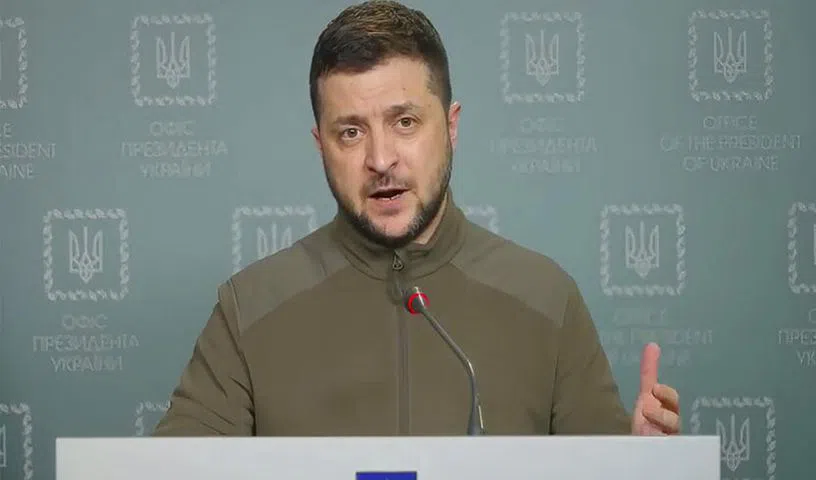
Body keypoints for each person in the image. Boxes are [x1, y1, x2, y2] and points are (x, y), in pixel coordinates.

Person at [152, 0, 680, 437]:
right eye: (351, 132)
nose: (381, 159)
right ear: (320, 145)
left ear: (451, 127)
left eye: (404, 122)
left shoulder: (547, 297)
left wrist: (639, 464)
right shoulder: (249, 307)